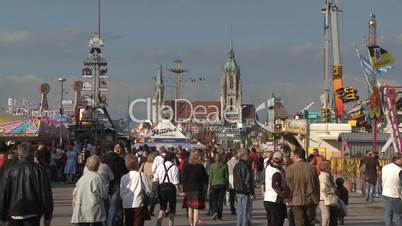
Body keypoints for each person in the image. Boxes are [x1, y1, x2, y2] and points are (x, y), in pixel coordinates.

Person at [0, 142, 53, 226]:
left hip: (14, 211)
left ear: (19, 155)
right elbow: (45, 194)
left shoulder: (10, 169)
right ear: (33, 154)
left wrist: (2, 216)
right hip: (33, 212)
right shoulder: (39, 170)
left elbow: (3, 193)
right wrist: (48, 216)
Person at [285, 147, 320, 226]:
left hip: (295, 201)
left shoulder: (290, 169)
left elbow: (287, 186)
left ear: (296, 156)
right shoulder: (312, 168)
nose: (292, 158)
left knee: (299, 223)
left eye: (293, 156)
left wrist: (287, 200)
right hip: (311, 200)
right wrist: (317, 200)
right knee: (310, 223)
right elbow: (317, 185)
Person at [71, 155, 109, 226]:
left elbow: (74, 193)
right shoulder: (98, 178)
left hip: (81, 211)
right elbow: (104, 195)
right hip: (94, 211)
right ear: (98, 165)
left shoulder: (82, 178)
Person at [120, 154, 150, 226]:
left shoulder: (123, 177)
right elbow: (148, 191)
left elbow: (121, 192)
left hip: (127, 204)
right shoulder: (141, 175)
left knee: (129, 223)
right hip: (138, 203)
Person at [103, 144, 128, 226]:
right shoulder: (121, 160)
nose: (117, 149)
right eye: (116, 148)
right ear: (113, 149)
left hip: (105, 184)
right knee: (116, 207)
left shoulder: (103, 159)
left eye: (118, 148)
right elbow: (125, 173)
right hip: (117, 184)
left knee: (106, 205)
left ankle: (106, 222)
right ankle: (116, 223)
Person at [182, 149, 209, 226]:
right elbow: (205, 179)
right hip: (197, 189)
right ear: (198, 157)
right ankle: (194, 224)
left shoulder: (187, 166)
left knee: (190, 208)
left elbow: (183, 178)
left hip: (189, 189)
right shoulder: (200, 167)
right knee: (196, 209)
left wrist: (184, 189)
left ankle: (191, 224)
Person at [153, 152, 181, 226]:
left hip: (161, 187)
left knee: (162, 207)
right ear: (172, 159)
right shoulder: (174, 167)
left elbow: (155, 180)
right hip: (171, 188)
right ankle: (170, 224)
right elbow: (176, 182)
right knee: (172, 207)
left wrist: (156, 191)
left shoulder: (160, 166)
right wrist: (179, 191)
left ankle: (159, 221)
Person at [263, 151, 287, 226]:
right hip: (275, 200)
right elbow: (275, 186)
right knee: (277, 222)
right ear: (281, 161)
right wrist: (282, 194)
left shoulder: (268, 167)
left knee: (270, 222)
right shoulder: (276, 172)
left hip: (267, 198)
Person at [233, 148, 255, 226]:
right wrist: (251, 192)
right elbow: (248, 181)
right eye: (247, 154)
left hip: (238, 191)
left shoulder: (237, 166)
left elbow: (235, 179)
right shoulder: (245, 166)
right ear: (243, 155)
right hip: (245, 191)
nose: (248, 156)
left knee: (240, 212)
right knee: (246, 213)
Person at [382, 152, 402, 226]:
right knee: (398, 216)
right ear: (398, 159)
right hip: (395, 194)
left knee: (388, 214)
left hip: (385, 193)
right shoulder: (399, 170)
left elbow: (382, 179)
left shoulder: (385, 167)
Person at [208, 153, 229, 220]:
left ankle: (215, 211)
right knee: (220, 201)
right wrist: (227, 186)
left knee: (214, 199)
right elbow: (226, 177)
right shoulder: (224, 166)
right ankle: (220, 216)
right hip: (222, 184)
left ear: (215, 159)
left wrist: (209, 185)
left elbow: (210, 176)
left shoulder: (212, 166)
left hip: (214, 184)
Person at [319, 161, 338, 226]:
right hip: (324, 198)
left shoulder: (324, 175)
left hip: (324, 198)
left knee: (326, 217)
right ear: (326, 167)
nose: (330, 167)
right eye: (329, 166)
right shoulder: (324, 176)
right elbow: (323, 188)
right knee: (326, 216)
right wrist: (332, 190)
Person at [142, 152, 158, 216]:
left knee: (146, 197)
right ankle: (150, 211)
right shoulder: (154, 165)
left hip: (145, 182)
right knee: (153, 198)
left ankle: (145, 210)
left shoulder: (144, 164)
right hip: (153, 182)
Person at [226, 150, 239, 215]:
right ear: (235, 155)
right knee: (237, 195)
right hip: (236, 178)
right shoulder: (237, 162)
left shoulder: (228, 162)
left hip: (230, 178)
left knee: (231, 196)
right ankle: (238, 208)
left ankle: (232, 209)